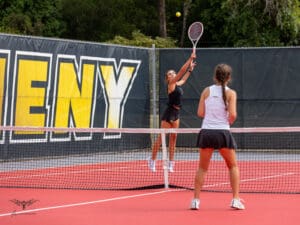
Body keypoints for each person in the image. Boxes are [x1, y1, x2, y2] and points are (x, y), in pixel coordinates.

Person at [190, 63, 245, 210]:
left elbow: (200, 113)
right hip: (222, 133)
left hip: (206, 133)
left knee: (202, 168)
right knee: (233, 166)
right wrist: (228, 121)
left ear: (215, 76)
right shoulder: (231, 93)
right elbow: (233, 115)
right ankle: (235, 199)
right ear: (228, 78)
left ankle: (195, 200)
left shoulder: (206, 91)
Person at [148, 51, 196, 173]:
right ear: (167, 78)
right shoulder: (171, 84)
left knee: (173, 139)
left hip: (176, 114)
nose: (172, 74)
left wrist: (190, 70)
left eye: (173, 73)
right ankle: (152, 160)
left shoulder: (177, 84)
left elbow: (183, 79)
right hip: (168, 113)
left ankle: (171, 163)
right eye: (170, 74)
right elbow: (181, 72)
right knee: (161, 139)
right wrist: (190, 59)